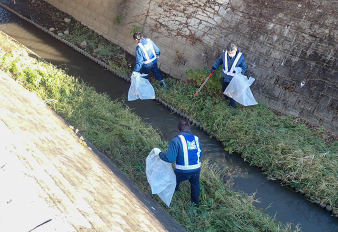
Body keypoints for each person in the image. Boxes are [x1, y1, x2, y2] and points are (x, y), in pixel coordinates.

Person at [159, 119, 202, 205]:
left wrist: (160, 154)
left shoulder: (176, 140)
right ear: (189, 129)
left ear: (178, 130)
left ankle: (170, 195)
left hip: (182, 170)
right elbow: (199, 154)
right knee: (195, 185)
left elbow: (170, 159)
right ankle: (195, 203)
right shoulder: (196, 139)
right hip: (196, 169)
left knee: (174, 181)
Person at [211, 43, 247, 107]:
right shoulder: (224, 54)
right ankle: (226, 98)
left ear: (235, 50)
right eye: (229, 52)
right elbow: (219, 61)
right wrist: (214, 67)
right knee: (224, 89)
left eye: (232, 52)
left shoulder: (240, 57)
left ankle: (232, 105)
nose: (230, 54)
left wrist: (240, 72)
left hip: (234, 78)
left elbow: (244, 67)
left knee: (233, 92)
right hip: (225, 77)